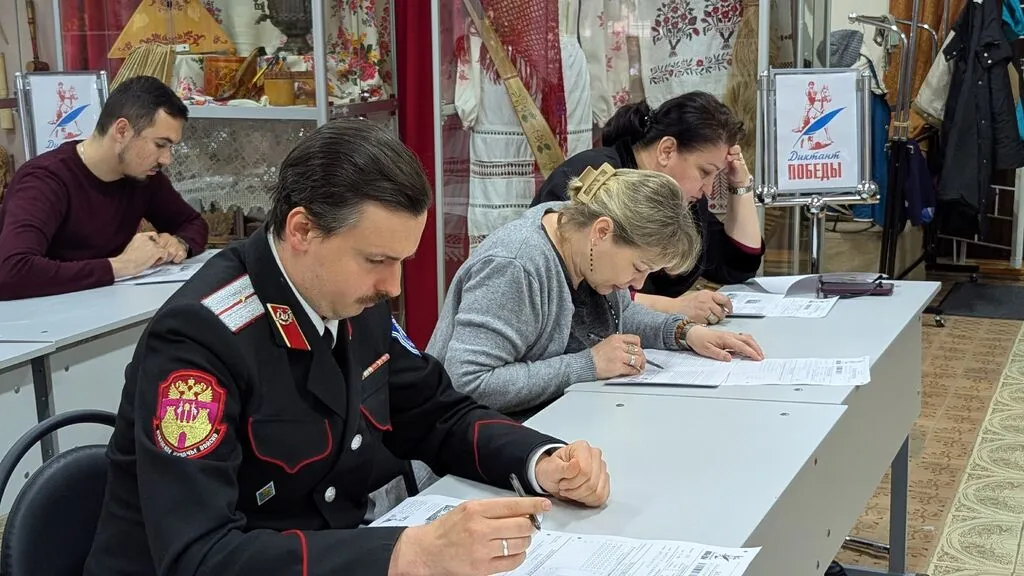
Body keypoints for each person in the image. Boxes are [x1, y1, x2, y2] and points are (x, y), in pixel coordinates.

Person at [82, 118, 611, 576]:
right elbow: (199, 557)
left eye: (401, 261)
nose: (393, 287)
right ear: (302, 230)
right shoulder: (199, 340)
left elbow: (434, 413)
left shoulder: (348, 298)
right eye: (377, 260)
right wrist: (406, 554)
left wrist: (541, 460)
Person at [428, 164, 764, 416]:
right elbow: (468, 381)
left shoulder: (577, 234)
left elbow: (622, 314)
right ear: (602, 232)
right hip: (468, 460)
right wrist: (588, 365)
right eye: (638, 266)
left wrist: (684, 333)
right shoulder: (516, 266)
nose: (638, 284)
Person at [531, 91, 763, 326]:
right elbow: (567, 289)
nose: (710, 189)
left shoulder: (684, 199)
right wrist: (673, 308)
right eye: (705, 172)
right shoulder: (598, 178)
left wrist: (741, 185)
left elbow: (737, 266)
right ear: (667, 150)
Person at [0, 75, 208, 300]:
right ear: (122, 131)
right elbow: (12, 271)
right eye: (160, 144)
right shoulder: (45, 180)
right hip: (39, 313)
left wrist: (179, 243)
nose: (166, 159)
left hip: (108, 307)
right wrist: (120, 266)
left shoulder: (142, 175)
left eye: (170, 147)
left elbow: (192, 223)